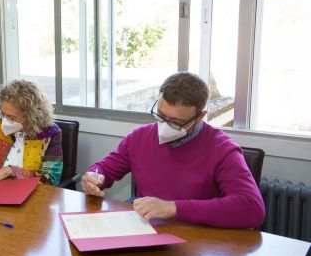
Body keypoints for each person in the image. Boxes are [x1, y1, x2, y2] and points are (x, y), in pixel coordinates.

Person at [81, 72, 265, 229]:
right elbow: (104, 168)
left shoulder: (222, 150)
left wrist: (173, 208)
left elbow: (252, 208)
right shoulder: (139, 137)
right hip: (147, 232)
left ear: (199, 117)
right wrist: (95, 176)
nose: (164, 126)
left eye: (175, 122)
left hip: (196, 240)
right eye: (160, 115)